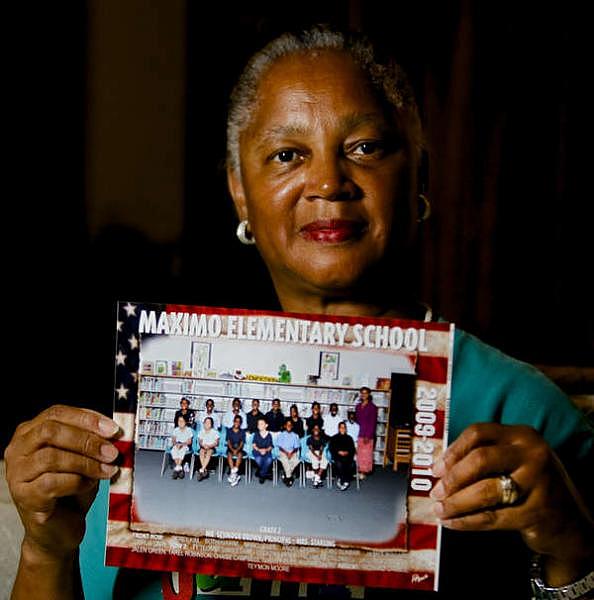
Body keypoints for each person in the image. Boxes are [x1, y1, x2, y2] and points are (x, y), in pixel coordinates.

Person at [5, 25, 593, 600]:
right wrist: (45, 550)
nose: (328, 182)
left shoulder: (524, 414)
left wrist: (571, 548)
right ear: (241, 191)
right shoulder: (158, 391)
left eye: (365, 147)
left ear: (419, 176)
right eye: (287, 154)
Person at [354, 387, 378, 480]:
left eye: (365, 393)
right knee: (359, 453)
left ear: (369, 395)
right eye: (362, 393)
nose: (363, 395)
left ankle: (363, 472)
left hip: (367, 434)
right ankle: (359, 470)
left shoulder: (373, 407)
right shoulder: (358, 406)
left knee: (366, 454)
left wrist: (368, 435)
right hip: (359, 432)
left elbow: (373, 422)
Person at [329, 421, 356, 490]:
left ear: (346, 429)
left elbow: (352, 449)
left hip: (347, 456)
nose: (343, 429)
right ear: (338, 428)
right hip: (337, 456)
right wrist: (339, 452)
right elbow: (331, 448)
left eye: (344, 427)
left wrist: (347, 452)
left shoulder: (349, 438)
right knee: (339, 464)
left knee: (351, 464)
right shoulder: (334, 438)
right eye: (341, 427)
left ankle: (342, 479)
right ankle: (345, 480)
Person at [276, 418, 301, 486]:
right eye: (287, 425)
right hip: (283, 452)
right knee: (285, 461)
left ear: (292, 426)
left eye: (290, 425)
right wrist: (287, 453)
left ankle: (286, 474)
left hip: (292, 452)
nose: (289, 426)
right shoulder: (281, 435)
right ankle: (289, 478)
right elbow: (280, 447)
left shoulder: (295, 435)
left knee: (296, 460)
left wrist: (291, 453)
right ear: (284, 426)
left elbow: (296, 447)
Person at [169, 415, 194, 479]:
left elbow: (189, 441)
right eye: (179, 421)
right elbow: (173, 440)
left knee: (182, 451)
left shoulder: (189, 430)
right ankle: (179, 468)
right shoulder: (176, 430)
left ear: (185, 422)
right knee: (173, 450)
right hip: (177, 444)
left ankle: (177, 469)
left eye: (182, 421)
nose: (180, 423)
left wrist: (182, 444)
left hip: (185, 445)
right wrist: (176, 444)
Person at [196, 417, 219, 481]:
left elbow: (216, 443)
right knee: (201, 452)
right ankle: (204, 470)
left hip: (211, 447)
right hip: (203, 447)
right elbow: (200, 442)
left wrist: (209, 446)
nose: (207, 424)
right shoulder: (201, 432)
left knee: (209, 453)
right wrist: (203, 445)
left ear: (211, 424)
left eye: (209, 423)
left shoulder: (215, 432)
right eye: (206, 422)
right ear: (203, 424)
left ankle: (202, 469)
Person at [252, 417, 273, 484]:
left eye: (261, 424)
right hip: (257, 451)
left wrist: (266, 450)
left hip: (267, 451)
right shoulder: (256, 434)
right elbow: (254, 445)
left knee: (269, 459)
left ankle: (261, 474)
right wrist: (259, 450)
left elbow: (270, 446)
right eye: (258, 424)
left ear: (266, 425)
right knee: (259, 459)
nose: (259, 425)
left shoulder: (269, 435)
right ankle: (265, 474)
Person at [306, 424, 329, 489]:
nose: (316, 430)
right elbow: (311, 449)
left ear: (319, 430)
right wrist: (316, 456)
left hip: (319, 452)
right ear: (313, 430)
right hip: (311, 452)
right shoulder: (309, 438)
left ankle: (316, 478)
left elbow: (321, 448)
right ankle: (317, 479)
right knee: (315, 461)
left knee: (325, 460)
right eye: (315, 429)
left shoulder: (322, 438)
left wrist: (320, 455)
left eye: (317, 429)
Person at [225, 414, 245, 487]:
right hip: (231, 448)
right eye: (236, 421)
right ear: (233, 422)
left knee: (240, 455)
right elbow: (229, 441)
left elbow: (242, 443)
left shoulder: (242, 431)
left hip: (239, 448)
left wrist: (237, 450)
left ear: (240, 423)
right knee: (229, 455)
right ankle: (234, 474)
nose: (237, 423)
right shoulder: (229, 430)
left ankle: (234, 473)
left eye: (239, 422)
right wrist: (233, 449)